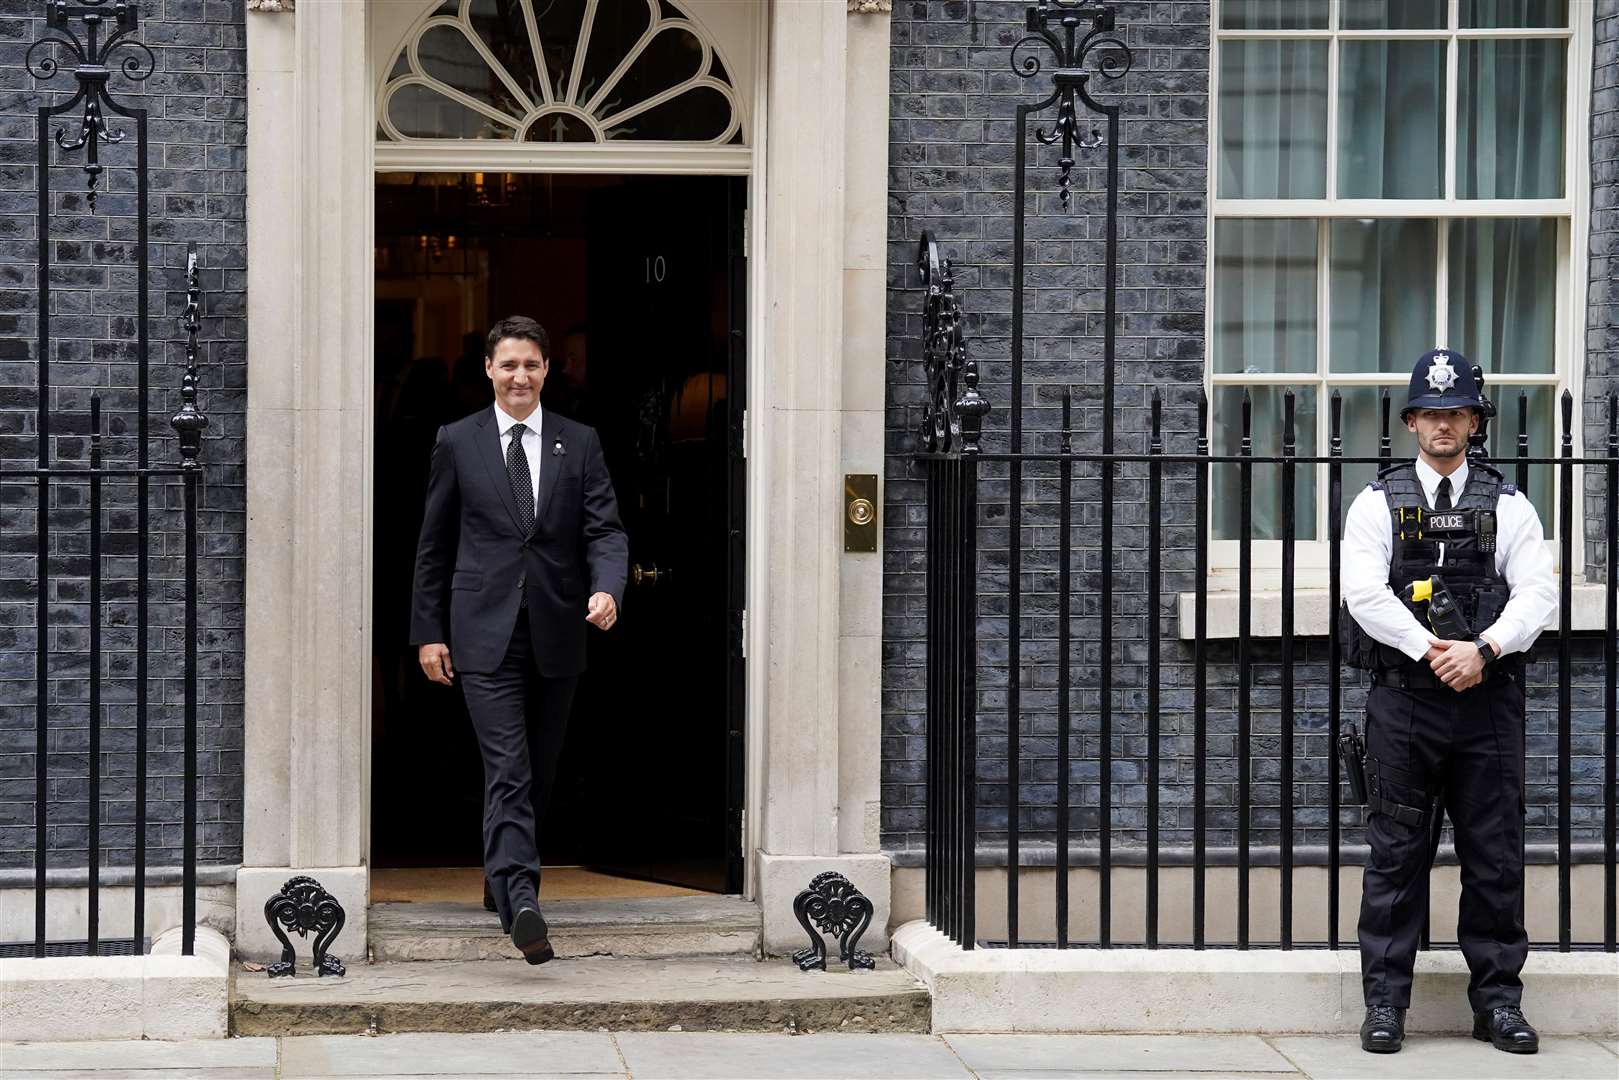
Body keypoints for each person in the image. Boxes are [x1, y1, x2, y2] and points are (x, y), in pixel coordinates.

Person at [1341, 348, 1556, 1054]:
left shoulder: (1512, 505)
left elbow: (1537, 595)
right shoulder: (1374, 503)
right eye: (1430, 413)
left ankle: (1497, 1004)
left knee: (1493, 856)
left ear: (1472, 421)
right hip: (1403, 704)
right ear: (1411, 422)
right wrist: (1431, 650)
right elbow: (1362, 594)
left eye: (1454, 412)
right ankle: (1383, 1004)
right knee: (1394, 855)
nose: (1442, 424)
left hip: (1486, 706)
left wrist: (1482, 650)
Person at [410, 315, 629, 965]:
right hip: (481, 636)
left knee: (538, 769)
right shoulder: (457, 441)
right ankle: (522, 902)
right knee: (507, 768)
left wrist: (608, 587)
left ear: (545, 371)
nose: (520, 376)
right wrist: (428, 633)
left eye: (531, 365)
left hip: (558, 632)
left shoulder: (578, 442)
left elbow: (605, 530)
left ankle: (499, 877)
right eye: (508, 365)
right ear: (487, 369)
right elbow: (433, 546)